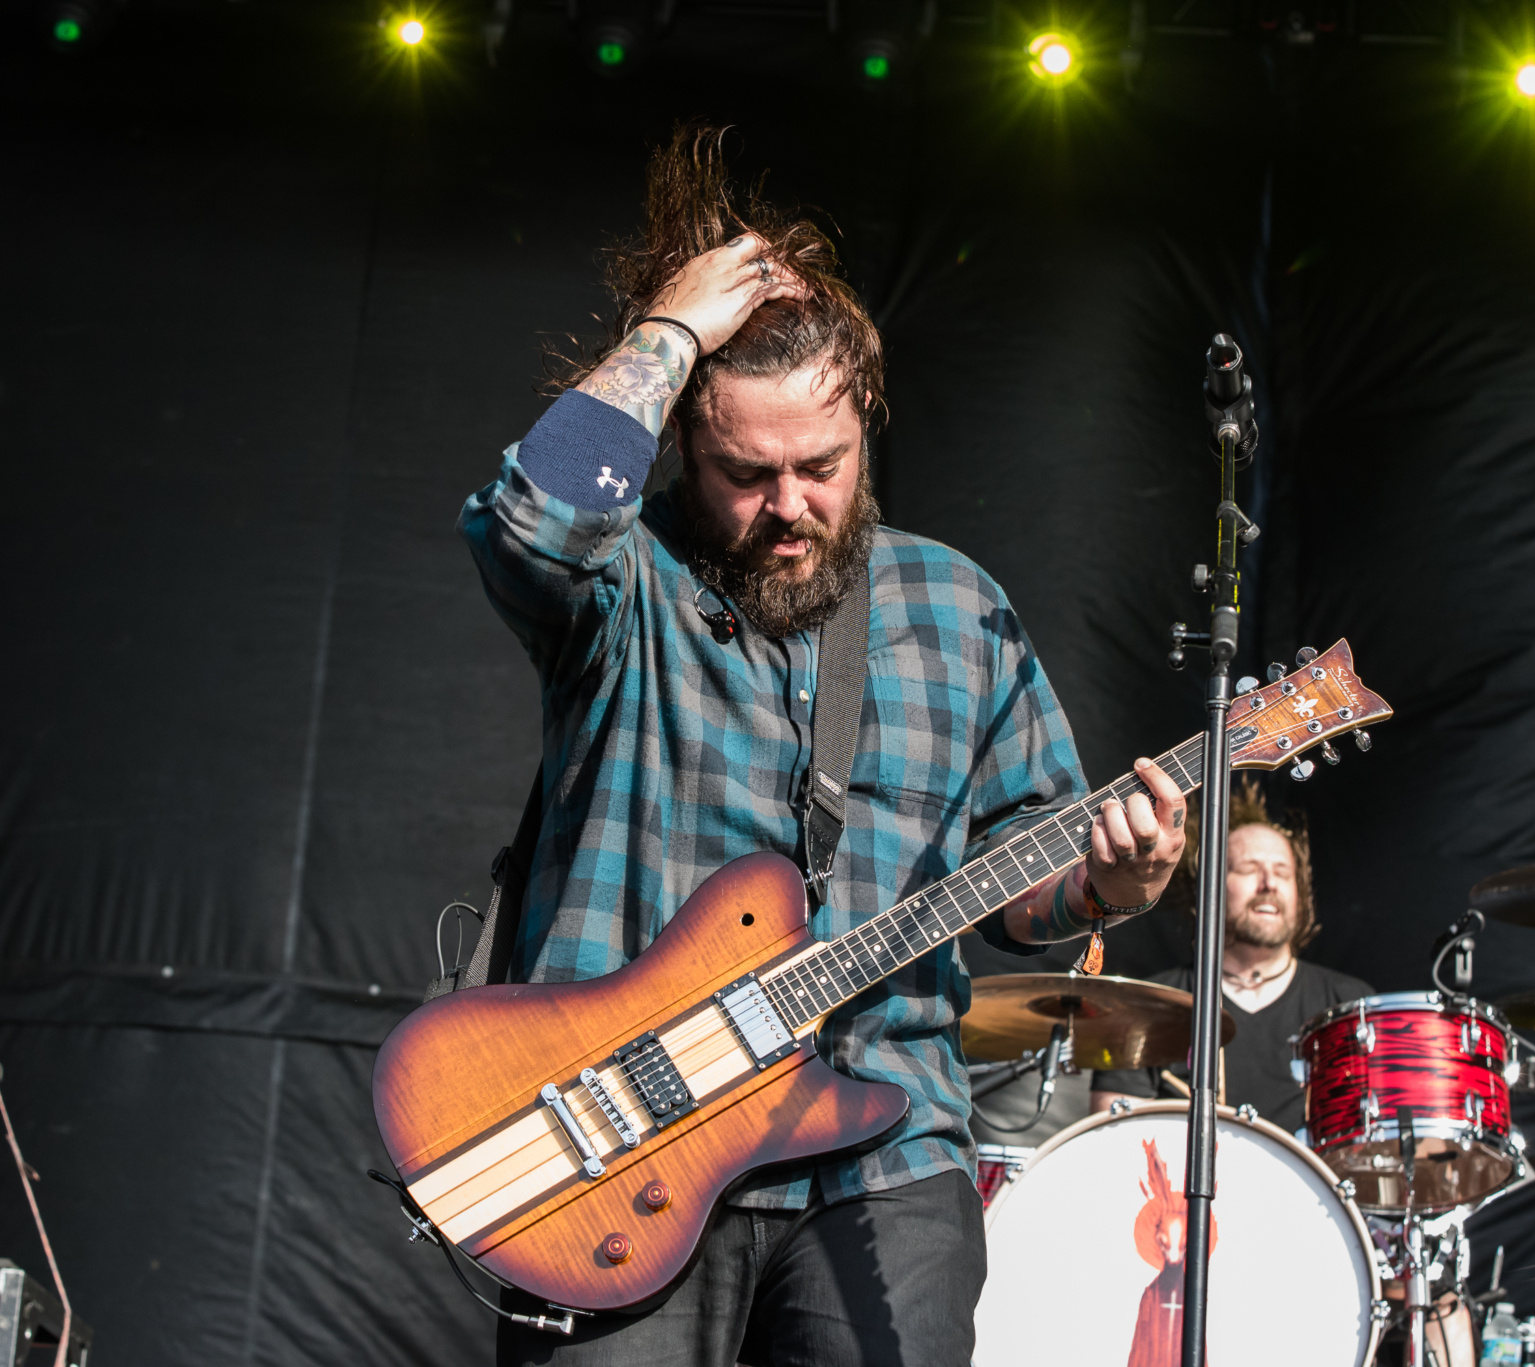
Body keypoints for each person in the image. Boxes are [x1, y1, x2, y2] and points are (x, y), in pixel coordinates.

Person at [457, 125, 1187, 1367]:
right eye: (747, 472)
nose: (789, 507)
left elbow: (1029, 865)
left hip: (881, 1152)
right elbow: (529, 525)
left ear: (867, 426)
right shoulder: (625, 585)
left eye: (822, 466)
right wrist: (669, 335)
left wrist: (1110, 879)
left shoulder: (953, 606)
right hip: (615, 1145)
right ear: (684, 442)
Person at [1088, 779, 1371, 1133]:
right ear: (1209, 887)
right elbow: (1113, 1141)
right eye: (1249, 869)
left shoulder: (1350, 1004)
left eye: (1283, 872)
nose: (1269, 883)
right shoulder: (1146, 1008)